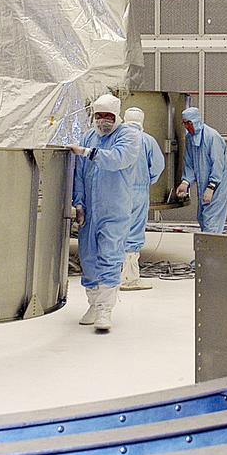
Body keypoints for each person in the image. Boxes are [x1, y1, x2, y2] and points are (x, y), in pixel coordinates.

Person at [69, 94, 141, 332]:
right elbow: (79, 174)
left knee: (109, 257)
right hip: (90, 212)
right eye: (98, 116)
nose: (102, 121)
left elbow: (118, 159)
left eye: (107, 116)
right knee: (88, 259)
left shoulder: (128, 135)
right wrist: (78, 204)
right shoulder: (90, 136)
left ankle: (105, 310)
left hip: (114, 209)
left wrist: (89, 153)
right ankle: (93, 304)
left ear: (116, 115)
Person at [120, 106, 164, 291]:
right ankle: (129, 278)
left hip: (116, 193)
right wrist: (147, 179)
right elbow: (158, 166)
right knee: (134, 232)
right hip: (138, 192)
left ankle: (112, 275)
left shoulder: (117, 138)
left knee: (116, 231)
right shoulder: (147, 140)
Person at [176, 106, 227, 233]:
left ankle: (211, 251)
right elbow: (189, 163)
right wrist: (185, 182)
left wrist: (211, 186)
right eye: (184, 123)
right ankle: (207, 250)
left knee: (211, 221)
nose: (187, 127)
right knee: (202, 218)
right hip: (202, 185)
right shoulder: (190, 138)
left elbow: (218, 165)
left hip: (217, 186)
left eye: (189, 123)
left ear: (196, 121)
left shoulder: (212, 137)